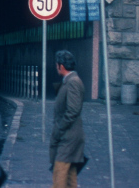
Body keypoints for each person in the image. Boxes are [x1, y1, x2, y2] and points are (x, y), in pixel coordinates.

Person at [50, 50, 86, 188]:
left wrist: (59, 129)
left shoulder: (73, 82)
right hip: (69, 136)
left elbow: (73, 110)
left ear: (61, 66)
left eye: (56, 64)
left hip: (69, 137)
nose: (56, 67)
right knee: (70, 178)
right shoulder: (69, 81)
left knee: (59, 175)